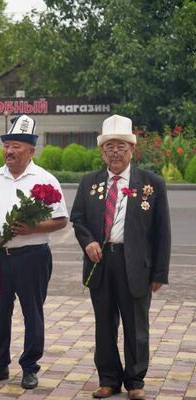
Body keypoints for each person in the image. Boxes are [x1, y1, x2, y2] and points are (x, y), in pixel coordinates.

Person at [70, 115, 171, 400]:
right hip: (101, 263)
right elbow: (77, 218)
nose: (115, 152)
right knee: (104, 324)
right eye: (110, 147)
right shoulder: (90, 182)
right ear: (102, 151)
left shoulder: (151, 184)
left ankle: (135, 381)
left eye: (121, 147)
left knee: (136, 326)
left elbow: (163, 232)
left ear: (132, 150)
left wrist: (159, 273)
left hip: (136, 266)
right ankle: (108, 379)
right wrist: (88, 242)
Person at [0, 115, 68, 390]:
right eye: (7, 145)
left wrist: (34, 227)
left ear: (31, 151)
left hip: (32, 257)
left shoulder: (45, 179)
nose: (9, 151)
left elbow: (61, 220)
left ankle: (29, 367)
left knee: (32, 312)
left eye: (17, 147)